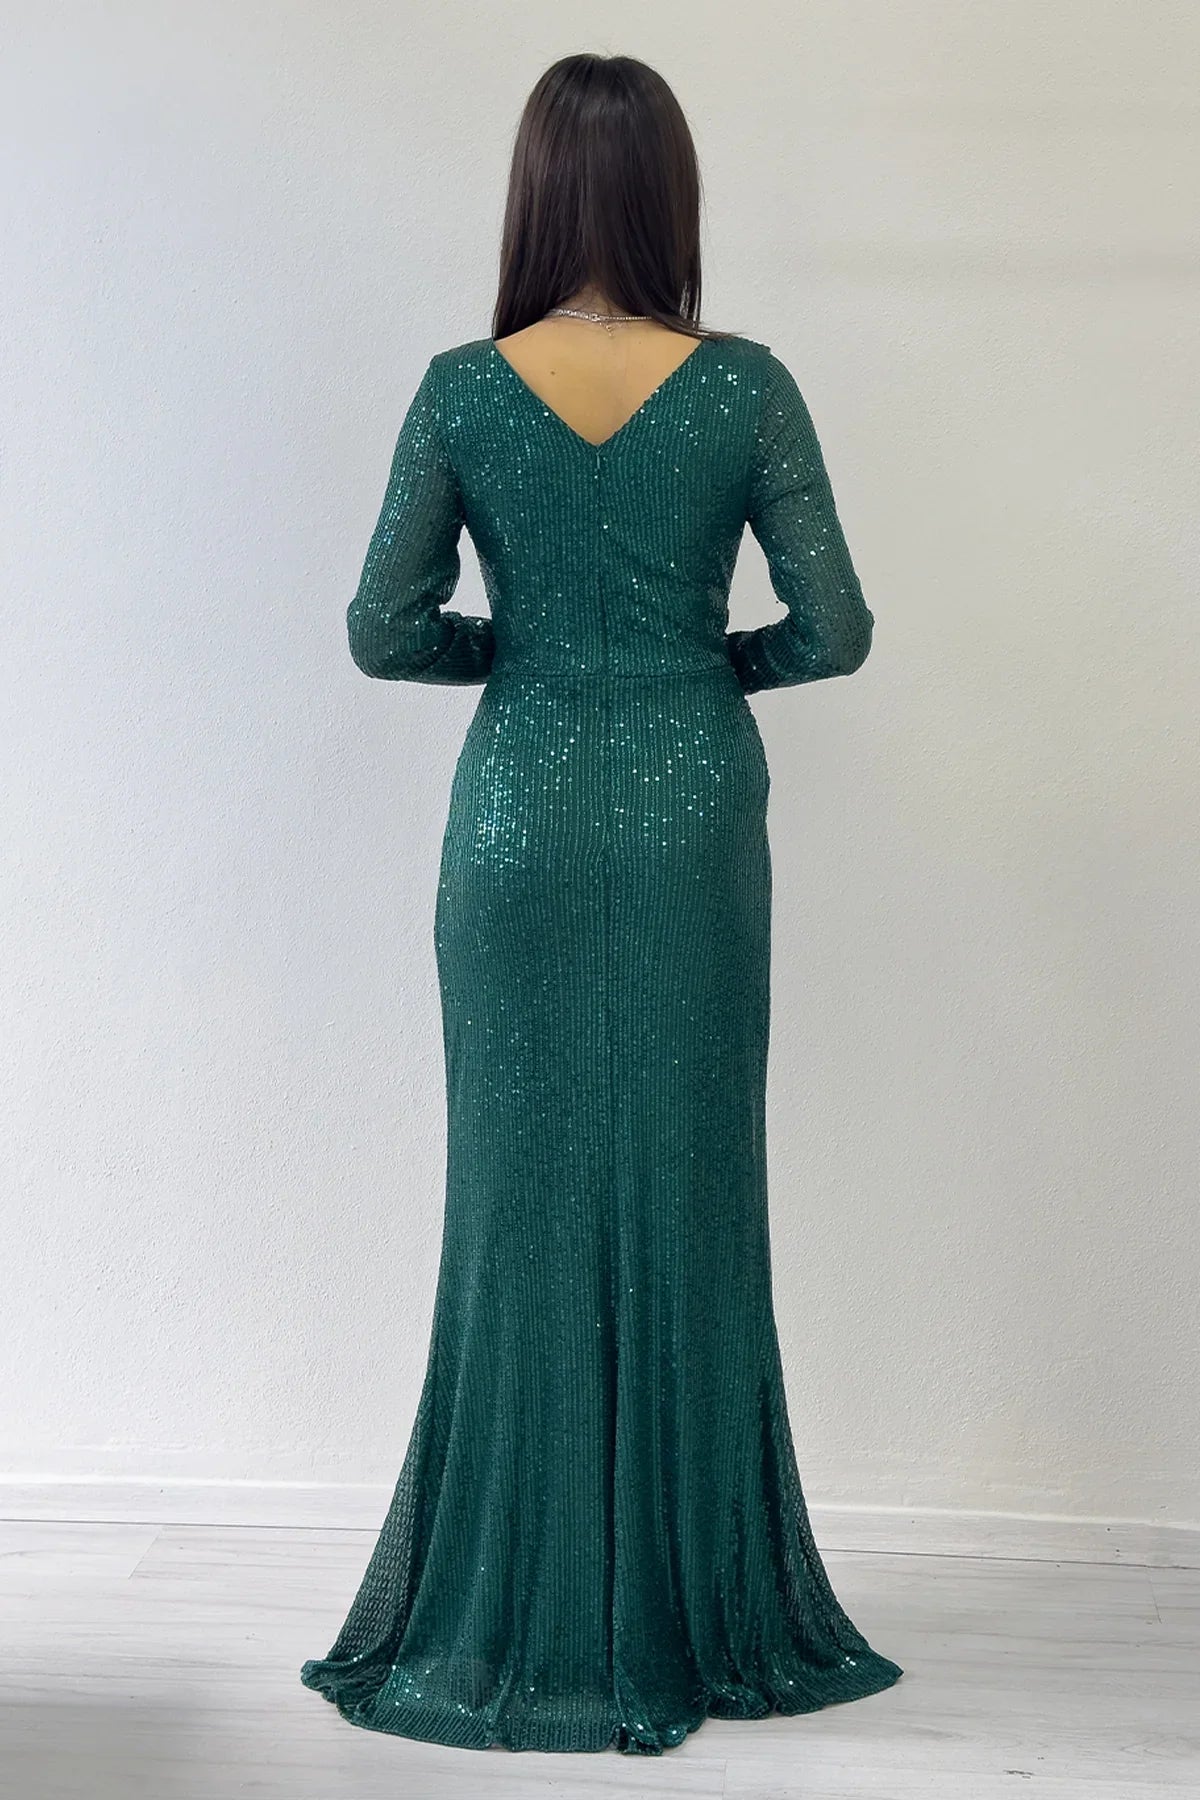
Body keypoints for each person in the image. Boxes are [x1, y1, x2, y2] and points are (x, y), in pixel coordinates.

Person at [300, 49, 903, 1757]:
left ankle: (508, 1606)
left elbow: (382, 630)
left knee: (516, 1209)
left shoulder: (460, 391)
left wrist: (529, 657)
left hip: (515, 818)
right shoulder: (748, 387)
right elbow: (839, 629)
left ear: (533, 194)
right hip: (691, 812)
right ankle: (701, 1619)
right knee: (692, 1197)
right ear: (670, 197)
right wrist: (697, 671)